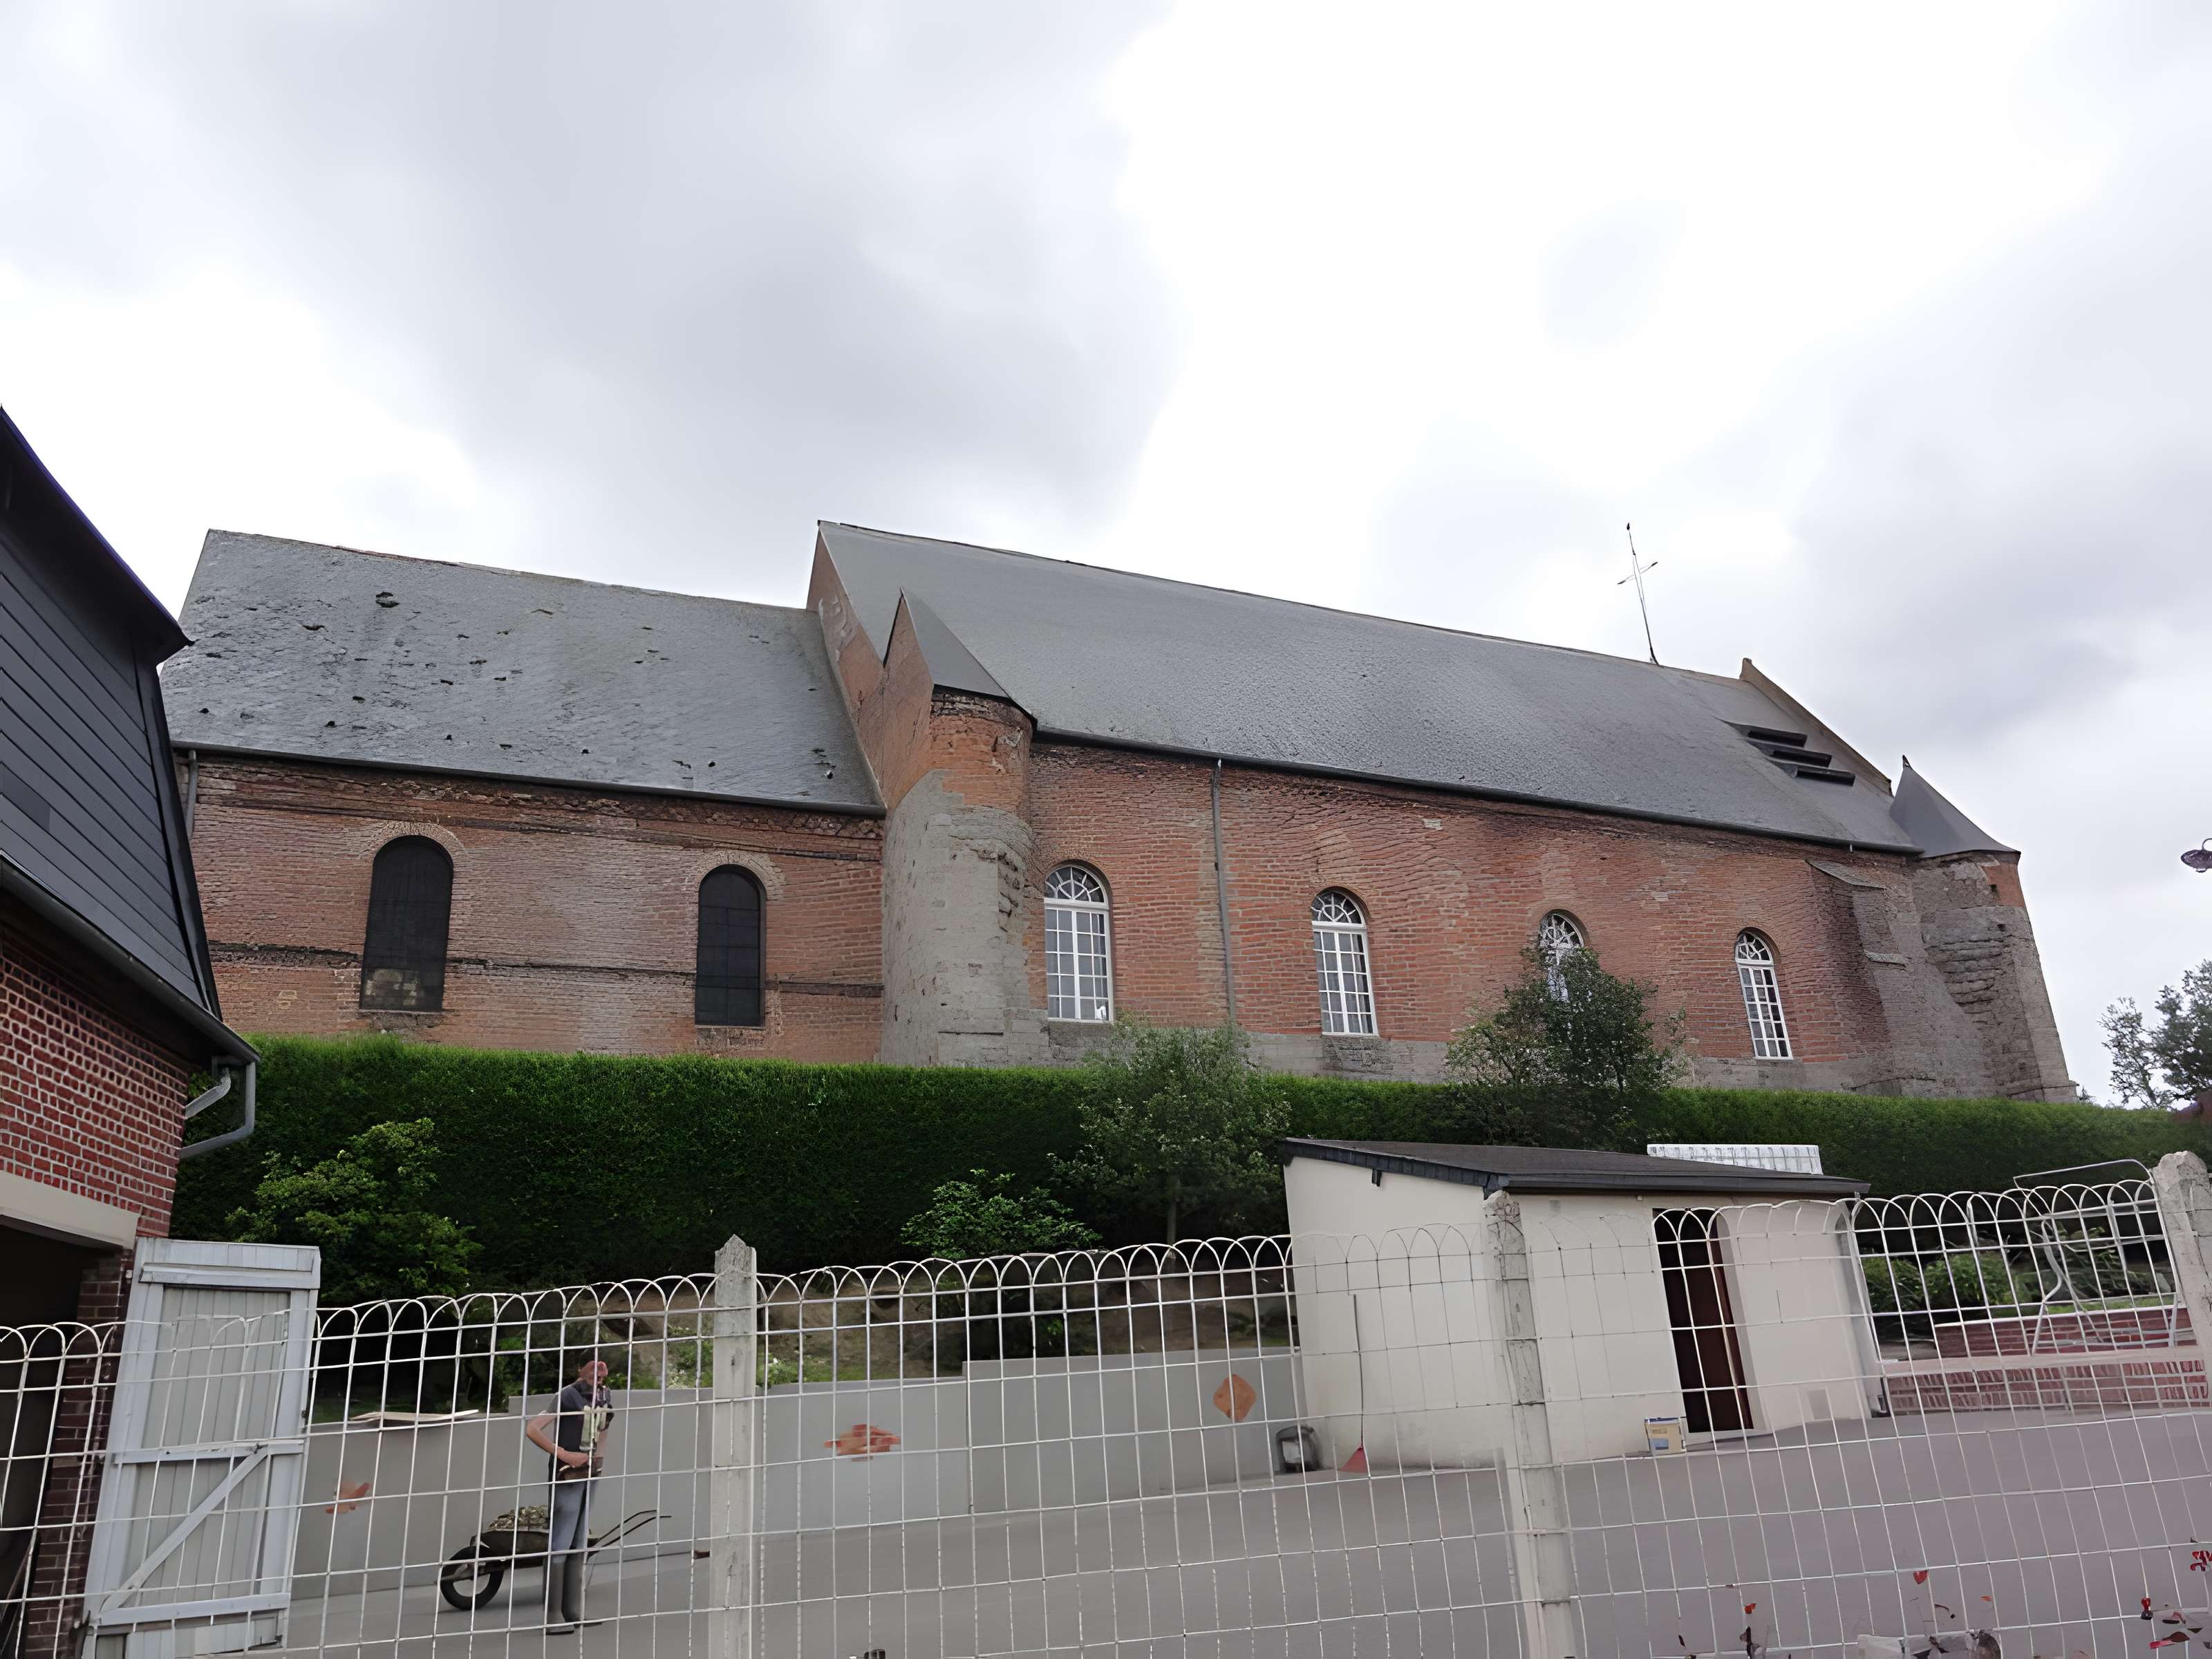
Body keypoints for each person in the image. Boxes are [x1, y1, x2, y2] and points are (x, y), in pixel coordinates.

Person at [525, 1357, 615, 1631]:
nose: (599, 1370)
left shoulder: (605, 1395)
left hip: (589, 1474)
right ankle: (553, 1615)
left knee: (579, 1538)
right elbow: (533, 1428)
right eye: (593, 1363)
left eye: (603, 1366)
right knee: (561, 1538)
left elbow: (604, 1427)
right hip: (566, 1474)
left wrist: (597, 1459)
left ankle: (573, 1610)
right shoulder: (566, 1396)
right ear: (580, 1367)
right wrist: (564, 1454)